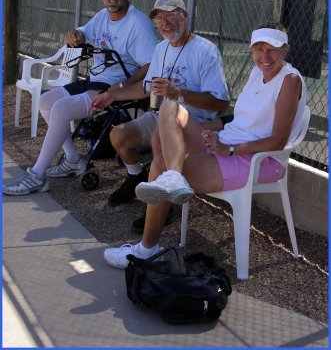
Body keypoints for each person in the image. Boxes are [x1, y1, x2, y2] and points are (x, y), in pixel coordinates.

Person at [102, 21, 307, 268]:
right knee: (169, 109)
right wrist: (212, 132)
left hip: (256, 159)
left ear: (286, 50)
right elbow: (240, 120)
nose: (264, 56)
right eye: (258, 49)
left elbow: (278, 140)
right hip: (228, 144)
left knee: (160, 162)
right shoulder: (258, 72)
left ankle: (147, 246)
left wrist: (229, 149)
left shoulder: (290, 80)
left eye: (272, 49)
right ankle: (172, 183)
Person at [3, 0, 157, 196]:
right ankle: (74, 160)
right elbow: (84, 33)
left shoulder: (138, 23)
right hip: (95, 80)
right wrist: (75, 35)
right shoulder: (102, 16)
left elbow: (151, 65)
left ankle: (36, 175)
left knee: (62, 109)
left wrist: (123, 87)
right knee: (46, 101)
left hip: (114, 87)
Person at [90, 0, 230, 225]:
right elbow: (147, 89)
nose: (164, 24)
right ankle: (136, 178)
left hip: (193, 121)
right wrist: (111, 95)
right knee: (118, 135)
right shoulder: (161, 48)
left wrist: (180, 94)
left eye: (170, 17)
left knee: (158, 138)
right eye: (159, 19)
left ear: (184, 16)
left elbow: (220, 102)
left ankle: (162, 205)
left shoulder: (206, 50)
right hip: (160, 114)